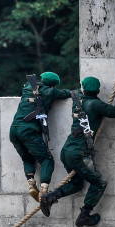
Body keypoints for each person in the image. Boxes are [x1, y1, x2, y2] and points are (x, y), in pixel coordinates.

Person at [40, 77, 115, 226]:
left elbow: (76, 91)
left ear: (83, 89)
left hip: (66, 151)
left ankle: (51, 197)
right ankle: (85, 214)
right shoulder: (97, 105)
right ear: (98, 90)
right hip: (79, 155)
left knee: (77, 184)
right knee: (99, 183)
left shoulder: (77, 99)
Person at [9, 72, 71, 201]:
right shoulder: (51, 92)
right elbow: (66, 94)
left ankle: (31, 183)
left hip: (14, 130)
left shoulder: (27, 87)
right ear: (53, 85)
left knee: (27, 158)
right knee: (47, 160)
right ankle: (43, 190)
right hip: (28, 131)